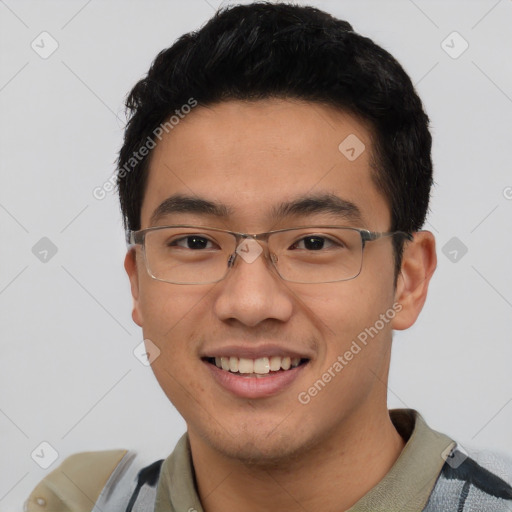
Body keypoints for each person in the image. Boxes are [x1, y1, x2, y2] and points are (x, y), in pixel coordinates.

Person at [25, 2, 512, 511]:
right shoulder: (79, 502)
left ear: (408, 280)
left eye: (314, 243)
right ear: (137, 283)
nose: (251, 302)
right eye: (195, 242)